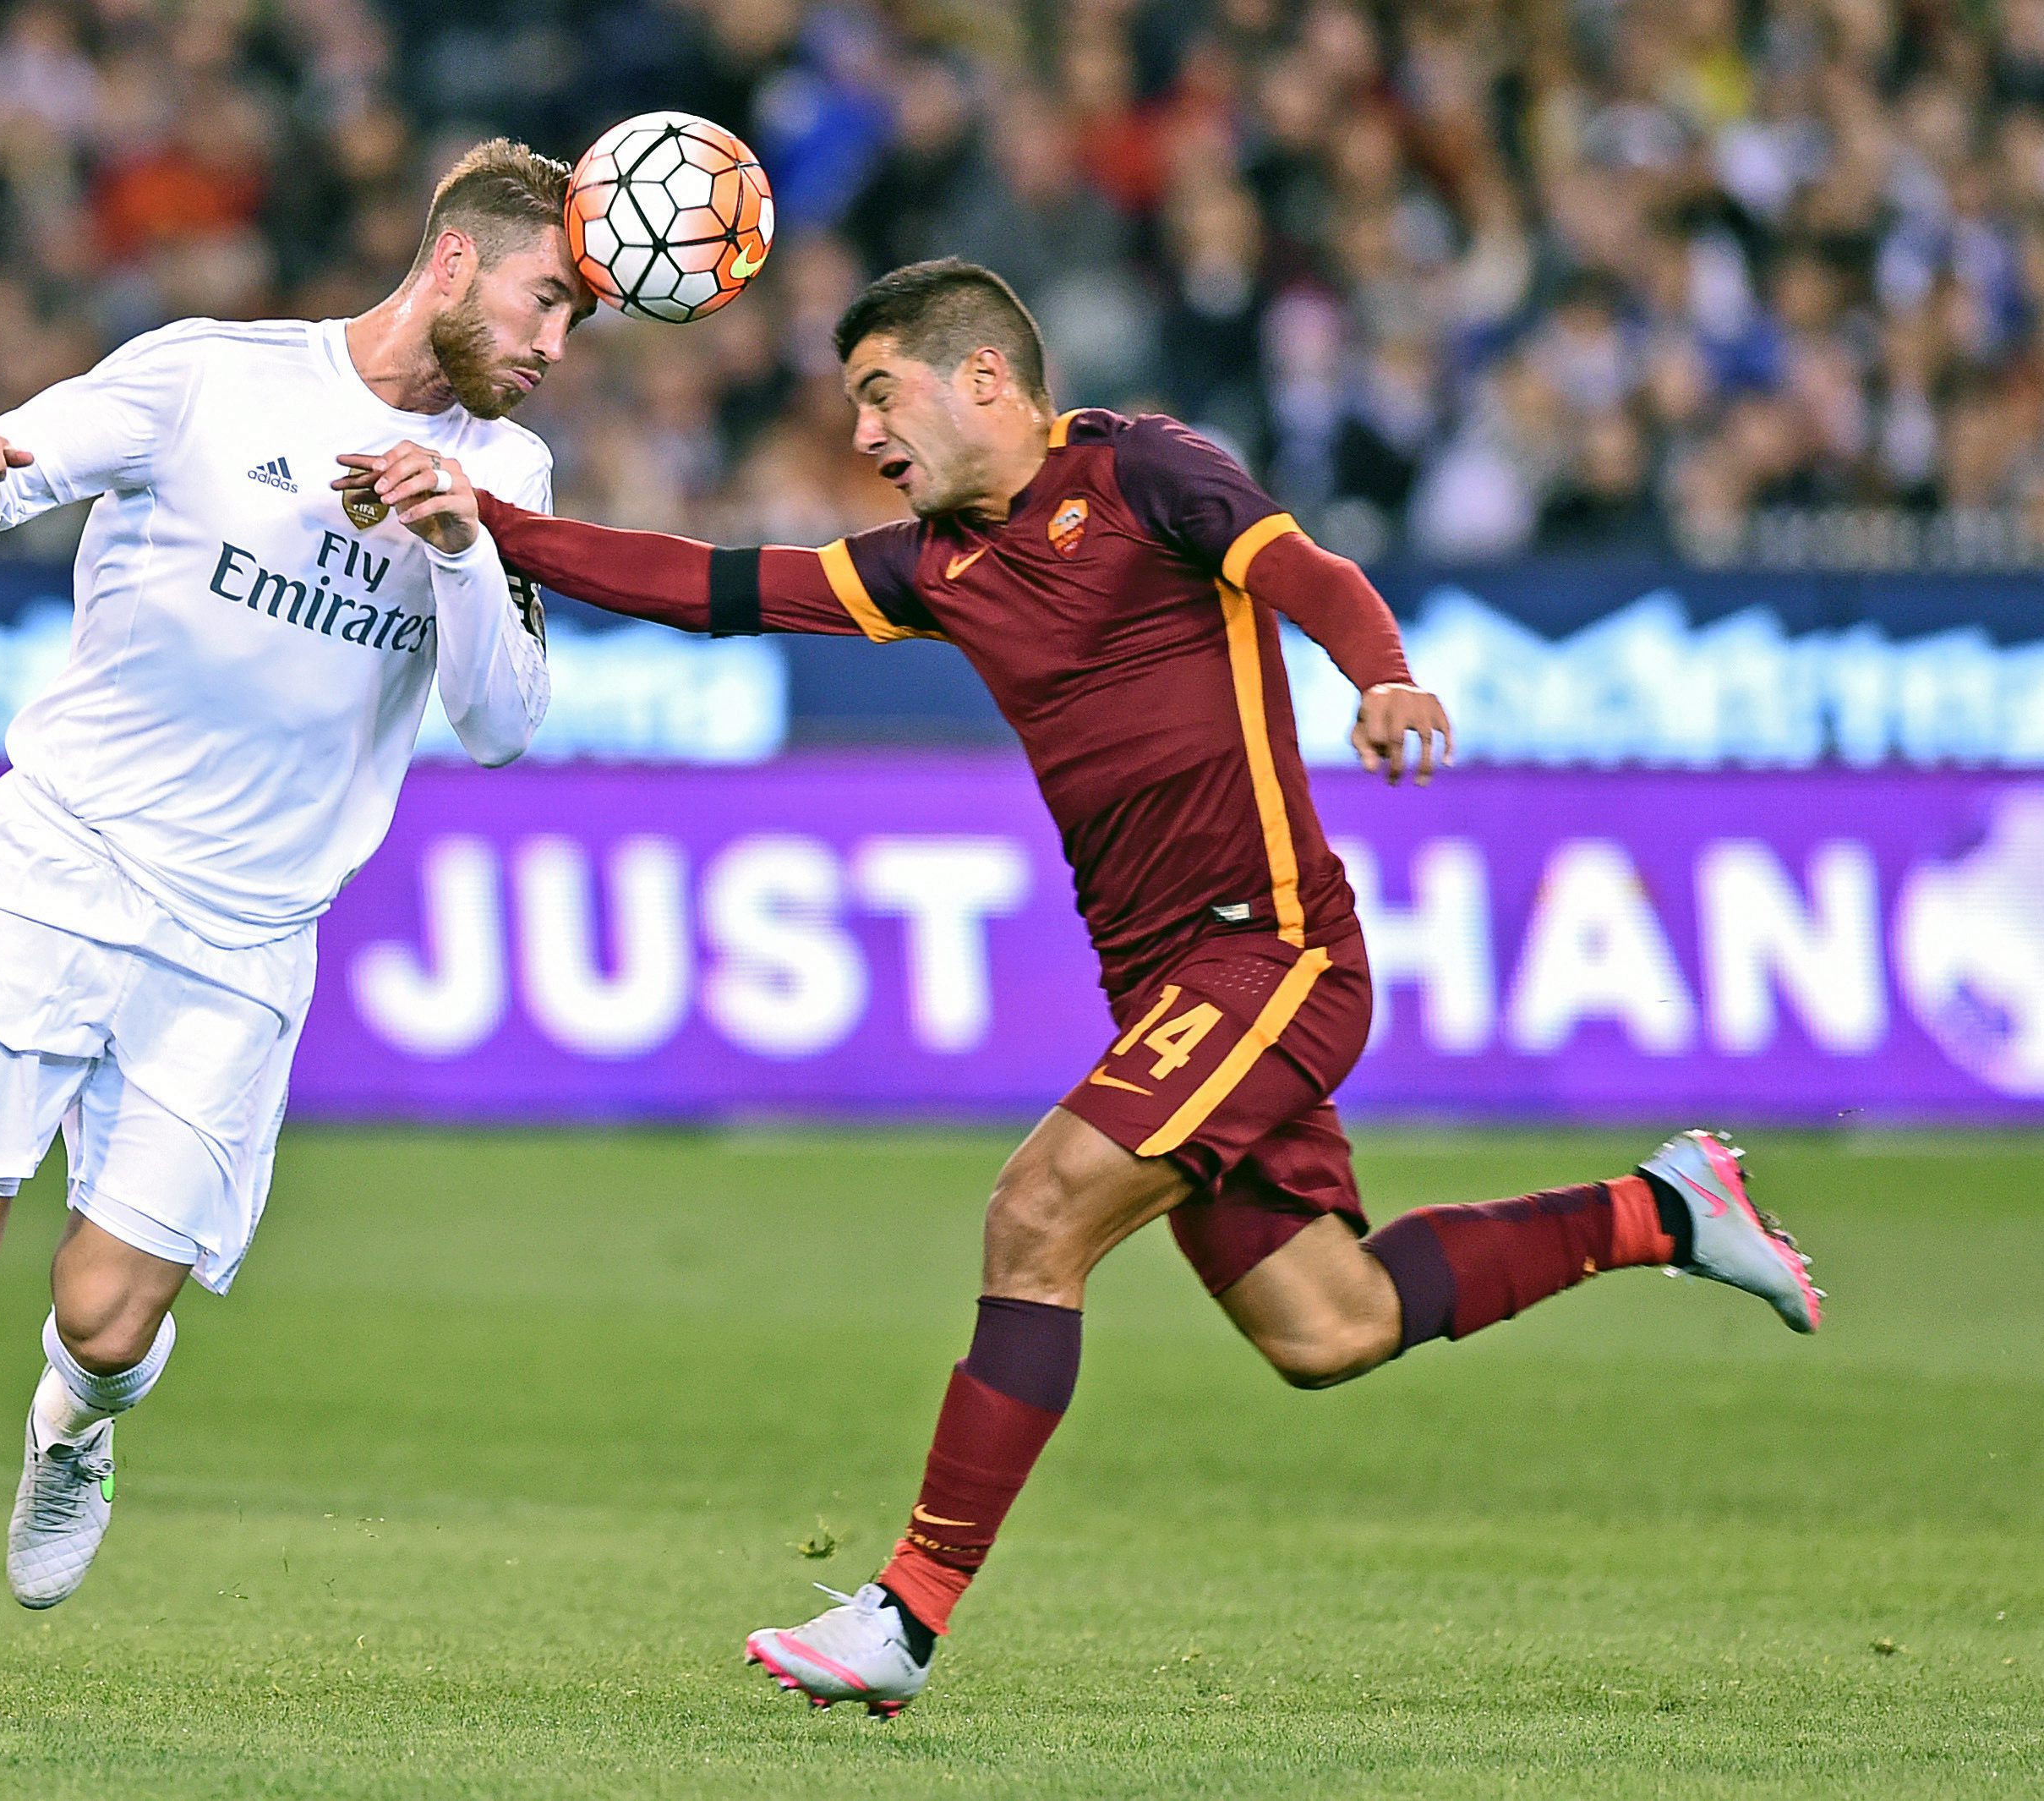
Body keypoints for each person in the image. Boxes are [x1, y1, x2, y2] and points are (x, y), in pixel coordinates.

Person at [338, 257, 1823, 1718]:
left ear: (984, 376)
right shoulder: (931, 565)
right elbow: (717, 587)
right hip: (1169, 990)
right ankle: (1664, 1207)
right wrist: (490, 523)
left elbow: (1307, 572)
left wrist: (1380, 671)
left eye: (881, 394)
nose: (862, 433)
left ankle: (906, 1612)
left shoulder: (1142, 474)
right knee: (1331, 1325)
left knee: (1037, 1212)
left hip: (1271, 953)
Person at [0, 139, 590, 1728]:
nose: (554, 344)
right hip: (60, 863)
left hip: (244, 937)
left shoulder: (508, 474)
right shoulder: (211, 377)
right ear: (456, 262)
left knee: (105, 1315)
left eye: (580, 322)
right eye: (546, 300)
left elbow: (502, 724)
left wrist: (458, 542)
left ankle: (75, 1423)